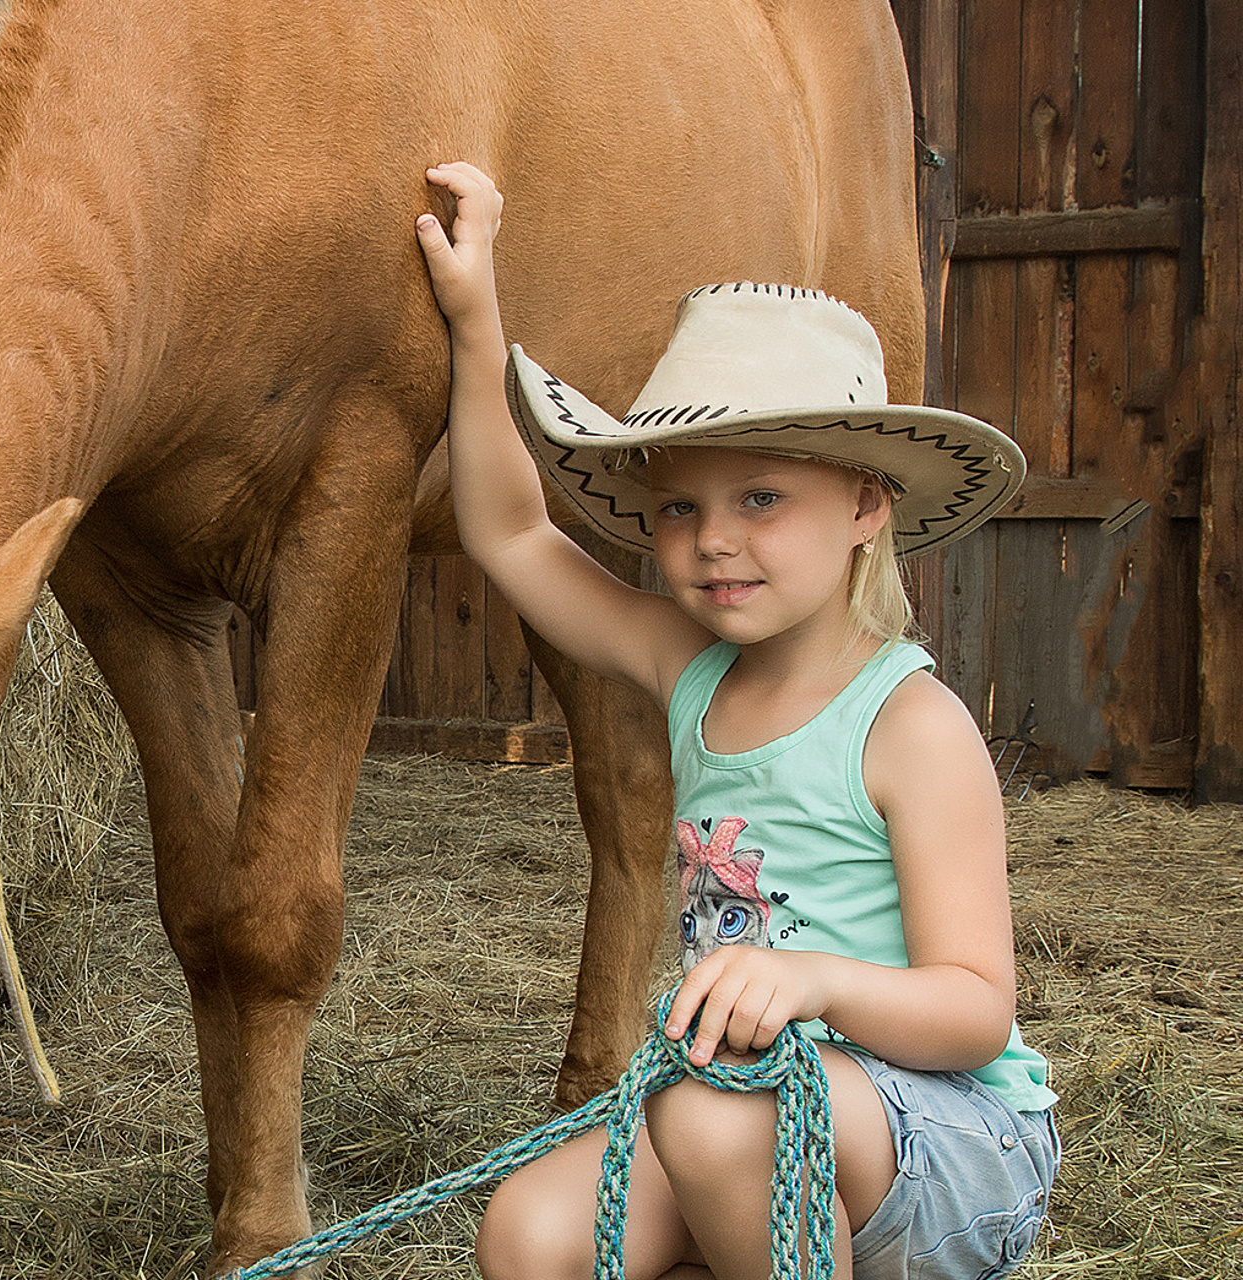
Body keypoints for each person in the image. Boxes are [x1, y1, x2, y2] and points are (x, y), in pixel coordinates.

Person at [413, 161, 1058, 1280]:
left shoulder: (910, 724)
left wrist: (814, 980)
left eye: (760, 497)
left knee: (712, 1125)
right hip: (742, 1109)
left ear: (866, 503)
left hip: (951, 1139)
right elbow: (512, 535)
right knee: (528, 1233)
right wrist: (478, 321)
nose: (713, 539)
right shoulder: (691, 672)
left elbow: (976, 1012)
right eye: (679, 506)